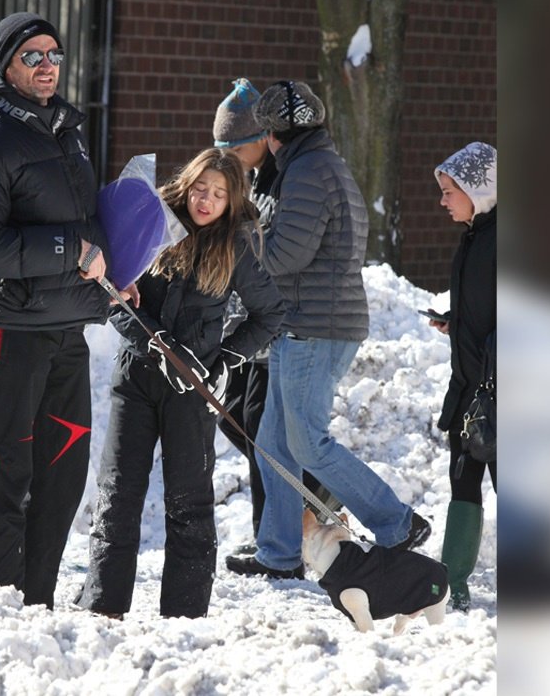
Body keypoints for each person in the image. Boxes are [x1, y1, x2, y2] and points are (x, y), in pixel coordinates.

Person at [0, 12, 125, 609]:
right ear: (5, 65)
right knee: (3, 469)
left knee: (63, 470)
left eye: (54, 54)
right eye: (33, 56)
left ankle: (36, 599)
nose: (47, 66)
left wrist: (115, 273)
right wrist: (70, 250)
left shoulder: (63, 131)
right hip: (8, 327)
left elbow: (83, 221)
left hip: (64, 323)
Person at [227, 81, 430, 580]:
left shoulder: (309, 173)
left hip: (313, 327)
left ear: (275, 135)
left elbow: (283, 255)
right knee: (273, 443)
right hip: (307, 322)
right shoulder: (314, 166)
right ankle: (279, 552)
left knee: (308, 444)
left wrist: (239, 233)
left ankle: (397, 522)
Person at [77, 148, 285, 618]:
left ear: (232, 201)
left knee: (189, 501)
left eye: (219, 194)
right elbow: (116, 296)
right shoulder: (151, 223)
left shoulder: (235, 247)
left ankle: (185, 613)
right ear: (187, 184)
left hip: (193, 391)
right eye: (200, 188)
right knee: (118, 493)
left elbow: (270, 313)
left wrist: (225, 359)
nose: (206, 200)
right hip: (136, 379)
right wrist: (154, 344)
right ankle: (103, 605)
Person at [211, 78, 339, 551]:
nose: (223, 157)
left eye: (231, 147)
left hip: (281, 322)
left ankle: (279, 536)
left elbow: (283, 248)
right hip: (248, 322)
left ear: (259, 140)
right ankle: (303, 500)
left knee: (265, 433)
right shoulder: (249, 180)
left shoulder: (286, 178)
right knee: (236, 419)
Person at [430, 142, 497, 611]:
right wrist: (457, 320)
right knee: (463, 476)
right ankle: (452, 582)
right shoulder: (474, 235)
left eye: (450, 190)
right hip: (470, 385)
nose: (442, 200)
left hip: (502, 391)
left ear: (478, 190)